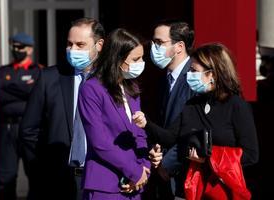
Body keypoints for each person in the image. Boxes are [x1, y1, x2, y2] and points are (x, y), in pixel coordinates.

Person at [134, 43, 259, 198]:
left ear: (212, 74)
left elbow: (251, 155)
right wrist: (147, 124)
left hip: (221, 190)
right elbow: (170, 137)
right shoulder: (192, 104)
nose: (189, 75)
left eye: (194, 71)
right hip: (188, 189)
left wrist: (208, 158)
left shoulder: (236, 105)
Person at [19, 18, 104, 200]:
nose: (73, 50)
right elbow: (29, 130)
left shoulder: (111, 81)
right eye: (69, 44)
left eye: (80, 45)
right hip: (57, 180)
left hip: (101, 179)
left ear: (99, 45)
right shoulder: (49, 78)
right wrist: (39, 170)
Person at [78, 28, 151, 200]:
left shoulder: (131, 88)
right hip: (104, 184)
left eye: (142, 58)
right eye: (136, 59)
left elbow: (139, 132)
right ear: (118, 59)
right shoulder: (92, 89)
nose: (141, 63)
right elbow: (99, 141)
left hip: (135, 185)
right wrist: (134, 171)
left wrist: (144, 168)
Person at [147, 20, 195, 199]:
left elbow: (193, 129)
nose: (154, 47)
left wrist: (167, 164)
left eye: (159, 43)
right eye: (153, 42)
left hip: (184, 175)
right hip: (162, 176)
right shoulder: (163, 80)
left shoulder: (194, 77)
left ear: (179, 46)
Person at [0, 32, 42, 200]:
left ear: (29, 49)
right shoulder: (3, 71)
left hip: (29, 129)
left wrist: (10, 87)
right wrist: (23, 90)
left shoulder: (38, 71)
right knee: (4, 176)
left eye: (20, 47)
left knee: (36, 175)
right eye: (14, 47)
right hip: (6, 128)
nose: (16, 50)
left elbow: (36, 95)